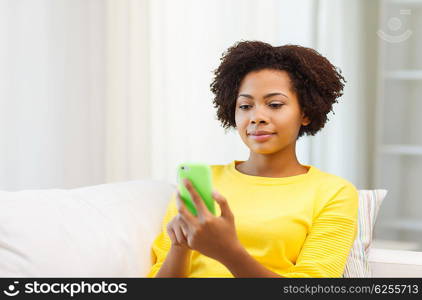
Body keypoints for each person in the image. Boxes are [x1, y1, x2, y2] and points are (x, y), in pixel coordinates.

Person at [147, 40, 358, 278]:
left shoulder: (333, 192)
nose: (257, 117)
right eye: (245, 105)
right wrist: (180, 246)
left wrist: (228, 252)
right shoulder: (202, 184)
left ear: (306, 112)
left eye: (275, 104)